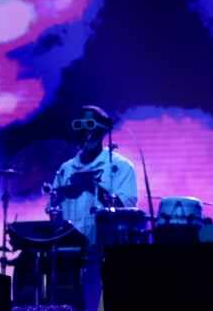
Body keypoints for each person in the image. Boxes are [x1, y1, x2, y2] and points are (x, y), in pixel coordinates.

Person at [49, 105, 137, 311]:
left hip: (103, 254)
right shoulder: (66, 168)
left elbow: (127, 210)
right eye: (79, 127)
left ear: (103, 131)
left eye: (90, 126)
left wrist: (95, 188)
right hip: (68, 253)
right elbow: (54, 209)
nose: (85, 132)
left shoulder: (120, 166)